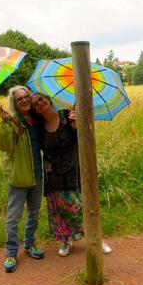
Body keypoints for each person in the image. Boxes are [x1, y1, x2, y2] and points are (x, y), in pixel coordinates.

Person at [30, 92, 112, 257]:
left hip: (72, 170)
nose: (39, 103)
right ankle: (66, 239)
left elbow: (84, 139)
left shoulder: (68, 115)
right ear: (35, 111)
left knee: (80, 206)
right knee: (59, 209)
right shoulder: (38, 126)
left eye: (41, 99)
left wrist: (76, 125)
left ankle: (95, 238)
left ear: (48, 99)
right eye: (35, 104)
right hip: (52, 173)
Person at [0, 86, 44, 273]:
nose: (24, 100)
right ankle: (11, 251)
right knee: (14, 216)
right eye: (19, 99)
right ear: (14, 103)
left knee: (34, 212)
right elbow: (5, 147)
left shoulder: (36, 119)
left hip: (37, 173)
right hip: (18, 175)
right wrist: (6, 124)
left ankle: (30, 243)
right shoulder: (13, 121)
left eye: (26, 97)